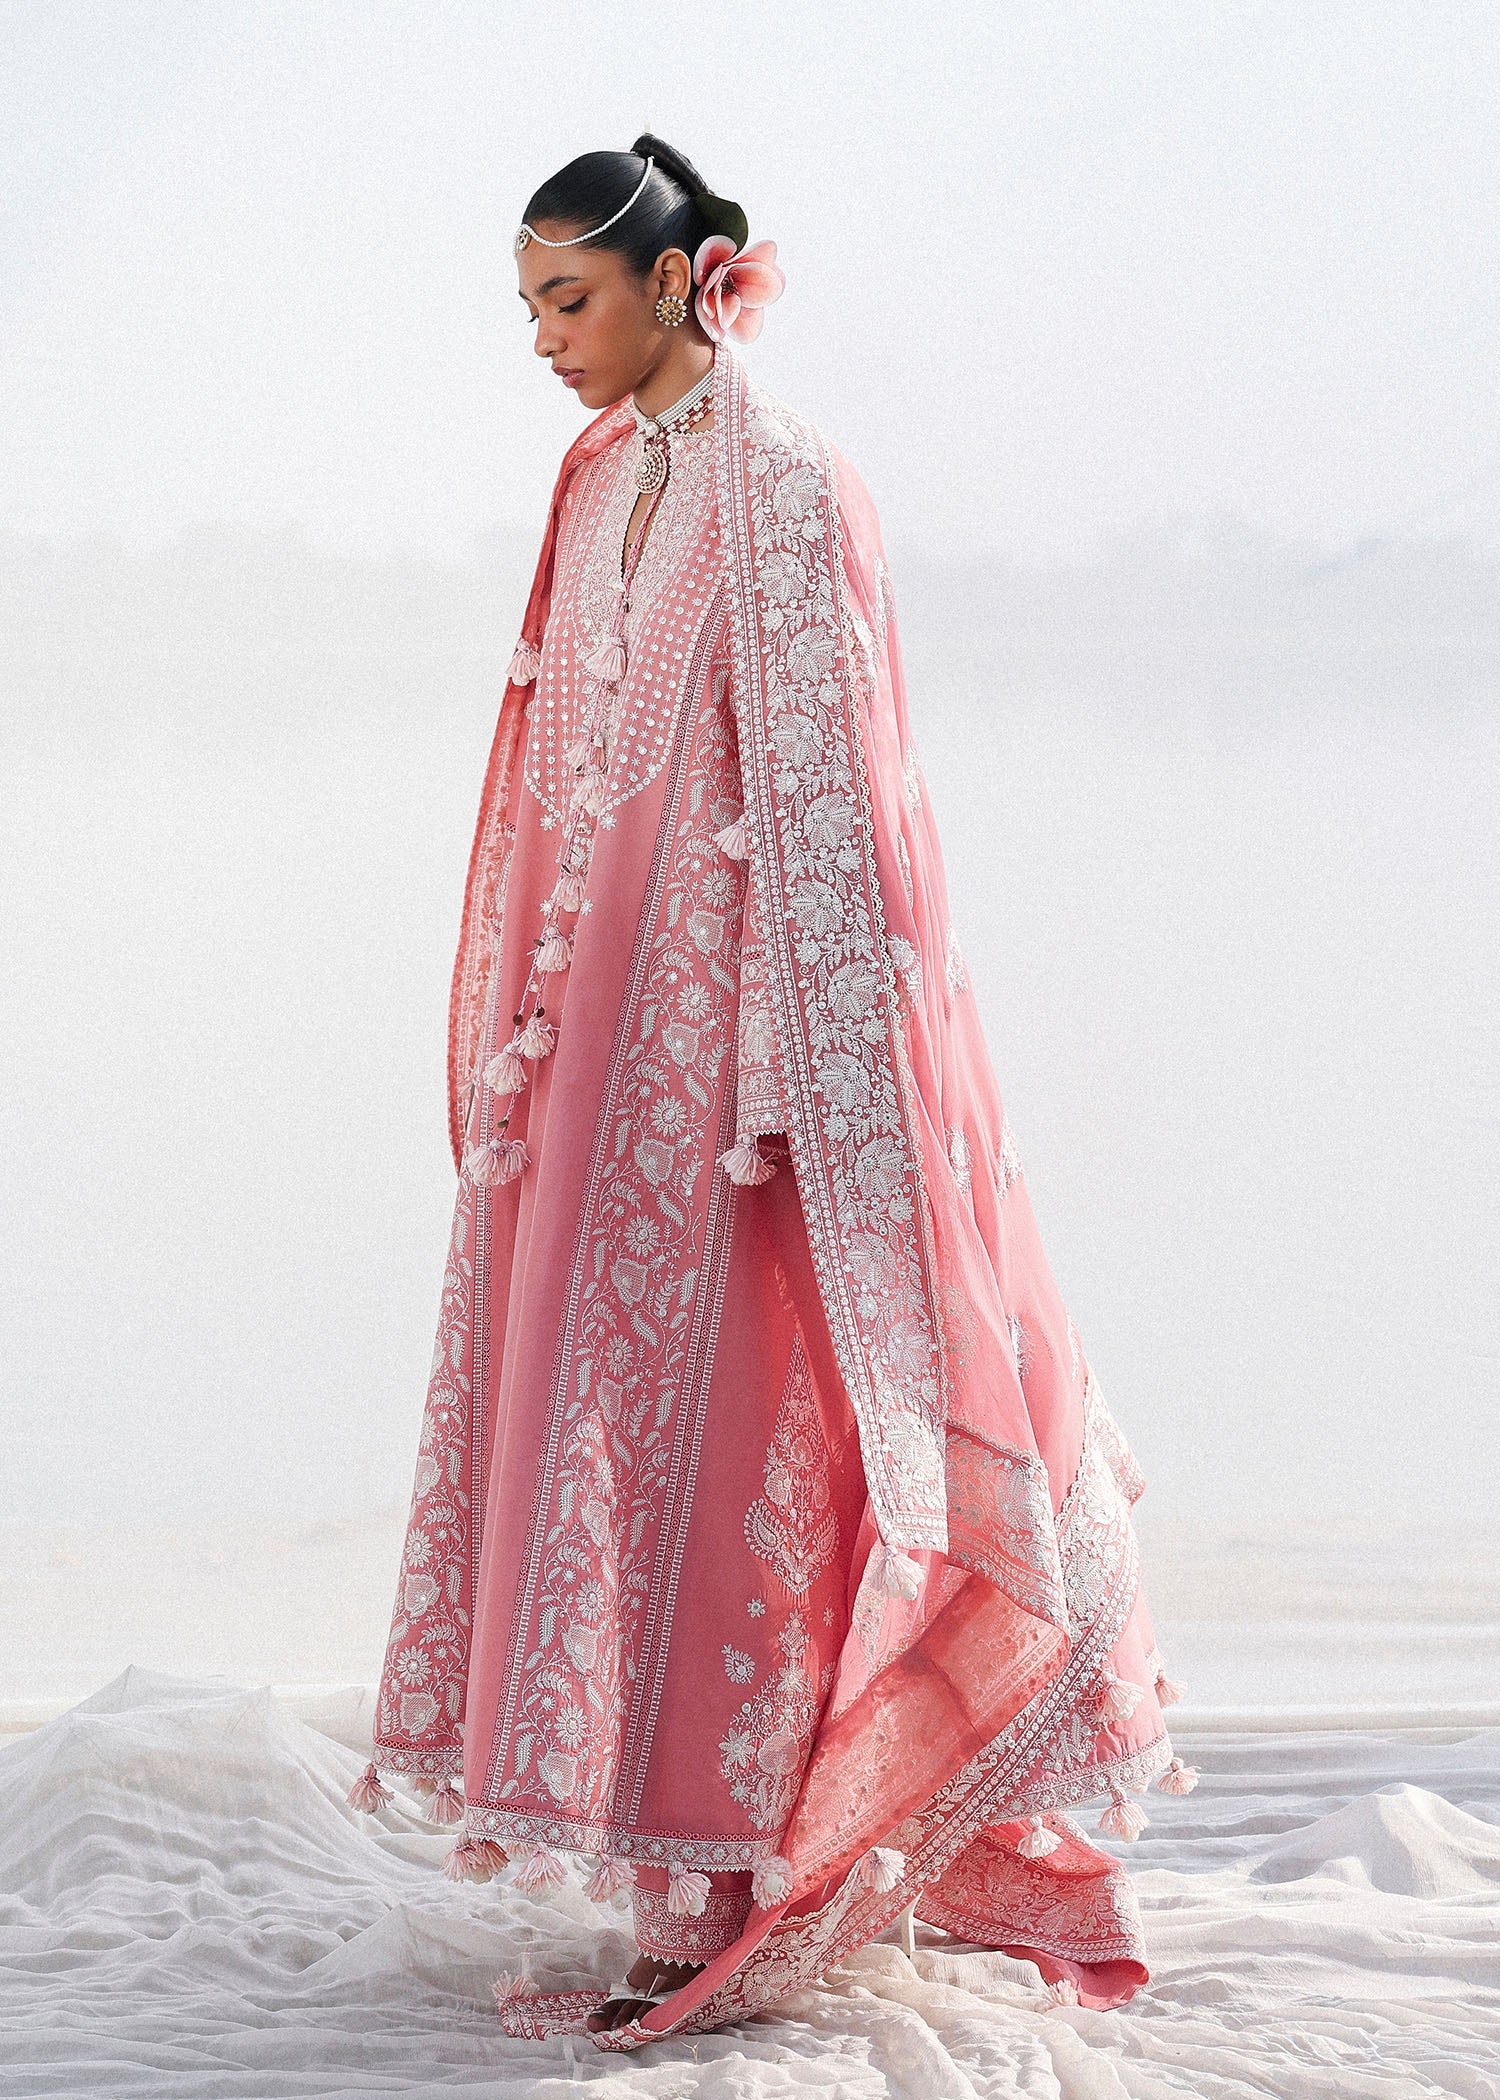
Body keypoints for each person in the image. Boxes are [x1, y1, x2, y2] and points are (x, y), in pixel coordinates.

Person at [348, 134, 1196, 2050]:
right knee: (600, 1418)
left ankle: (735, 1874)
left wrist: (798, 1084)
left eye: (570, 297)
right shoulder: (598, 478)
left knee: (745, 1430)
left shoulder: (794, 484)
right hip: (597, 1034)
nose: (544, 339)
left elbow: (841, 802)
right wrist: (532, 1010)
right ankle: (658, 1857)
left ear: (680, 279)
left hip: (747, 1058)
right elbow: (557, 754)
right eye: (527, 305)